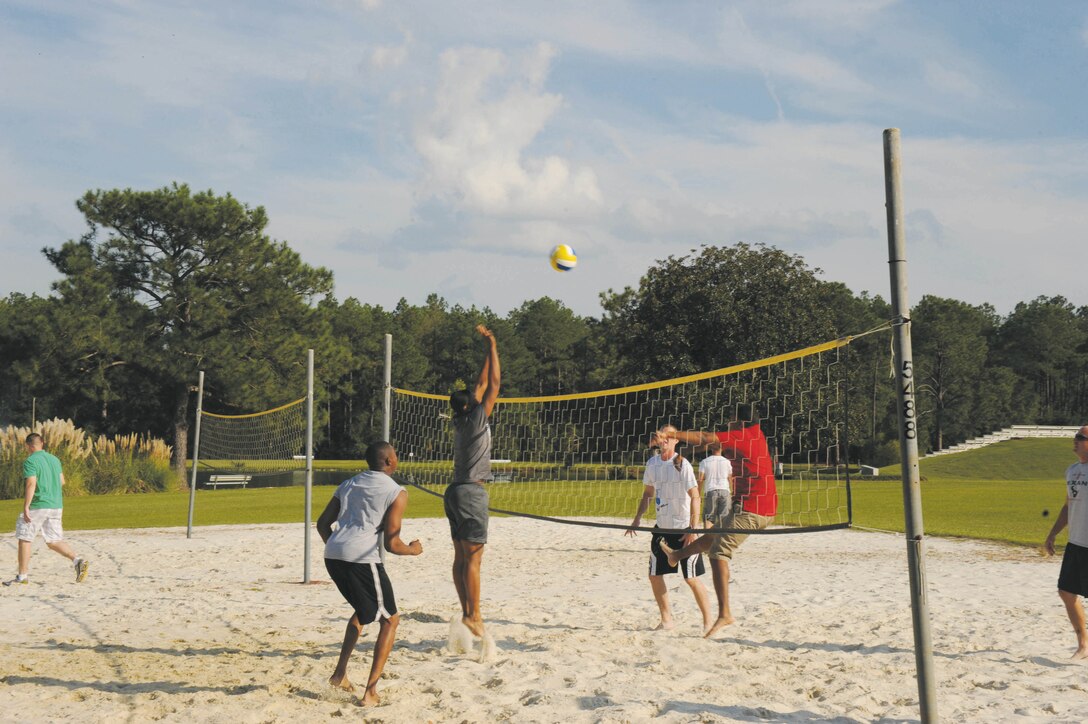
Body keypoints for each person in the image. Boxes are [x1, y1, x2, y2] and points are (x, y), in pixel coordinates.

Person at [317, 440, 423, 706]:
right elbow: (392, 544)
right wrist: (413, 549)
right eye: (395, 455)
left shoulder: (348, 484)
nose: (397, 458)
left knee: (362, 611)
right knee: (390, 619)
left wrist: (339, 547)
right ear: (388, 461)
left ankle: (339, 675)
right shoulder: (396, 492)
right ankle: (371, 692)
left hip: (333, 554)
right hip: (361, 559)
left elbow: (322, 524)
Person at [657, 404, 777, 637]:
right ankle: (676, 555)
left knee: (719, 553)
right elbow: (707, 443)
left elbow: (705, 436)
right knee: (712, 536)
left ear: (739, 422)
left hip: (754, 509)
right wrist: (682, 453)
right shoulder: (754, 433)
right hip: (746, 504)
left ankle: (725, 614)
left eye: (731, 418)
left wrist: (671, 434)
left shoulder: (742, 434)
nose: (728, 422)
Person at [625, 426, 712, 631]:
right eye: (661, 435)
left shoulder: (682, 464)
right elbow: (647, 494)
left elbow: (695, 496)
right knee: (654, 575)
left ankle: (708, 621)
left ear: (675, 441)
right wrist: (637, 519)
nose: (664, 439)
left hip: (683, 529)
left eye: (669, 436)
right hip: (662, 529)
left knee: (691, 578)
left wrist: (692, 529)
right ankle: (667, 621)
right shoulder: (653, 463)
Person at [446, 324, 500, 638]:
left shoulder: (461, 417)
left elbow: (480, 384)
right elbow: (492, 382)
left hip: (453, 491)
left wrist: (488, 345)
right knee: (474, 559)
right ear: (473, 405)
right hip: (471, 492)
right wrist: (492, 344)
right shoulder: (479, 416)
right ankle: (474, 616)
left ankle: (467, 611)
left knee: (460, 556)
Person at [4, 433, 89, 587]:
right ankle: (77, 560)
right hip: (56, 504)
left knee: (25, 538)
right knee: (53, 540)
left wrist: (26, 506)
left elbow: (31, 484)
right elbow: (62, 481)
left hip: (39, 504)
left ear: (28, 446)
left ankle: (22, 576)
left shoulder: (30, 460)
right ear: (42, 443)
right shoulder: (54, 459)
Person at [1044, 425, 1088, 660]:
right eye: (1075, 437)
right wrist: (1053, 533)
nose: (1075, 441)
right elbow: (1068, 504)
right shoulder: (1072, 471)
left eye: (1080, 437)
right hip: (1076, 542)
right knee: (1066, 592)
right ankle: (1083, 645)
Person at [699, 439, 734, 529]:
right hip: (725, 490)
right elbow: (730, 478)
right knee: (725, 518)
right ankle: (722, 540)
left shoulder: (705, 461)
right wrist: (733, 491)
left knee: (709, 518)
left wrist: (698, 495)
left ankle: (708, 539)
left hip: (710, 490)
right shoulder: (727, 462)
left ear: (711, 449)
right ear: (722, 449)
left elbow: (700, 479)